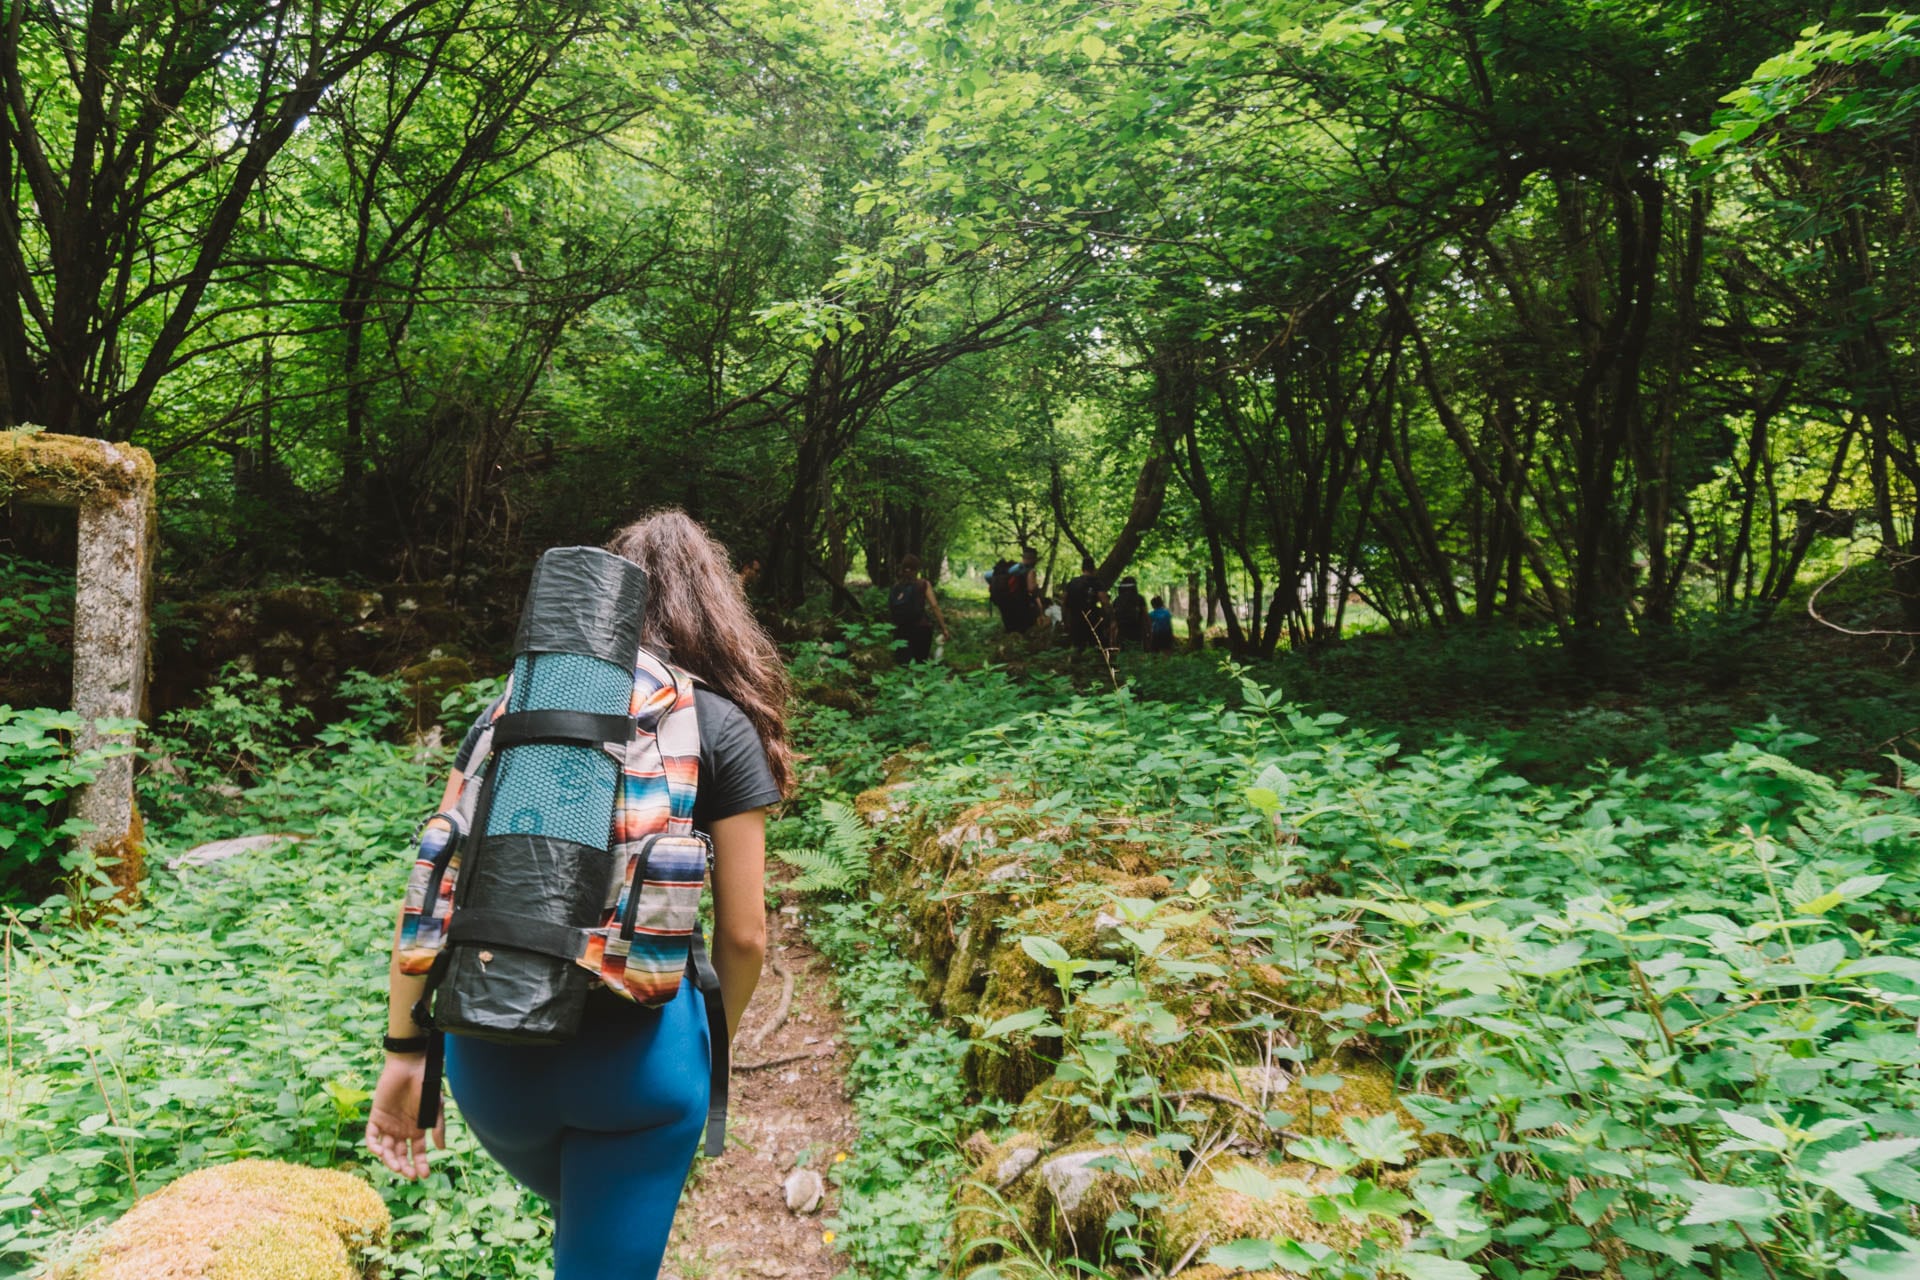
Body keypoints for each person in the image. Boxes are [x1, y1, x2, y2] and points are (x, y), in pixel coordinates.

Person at [367, 510, 790, 1280]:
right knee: (608, 1240)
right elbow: (746, 938)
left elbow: (432, 883)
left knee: (586, 1231)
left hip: (490, 1060)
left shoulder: (514, 711)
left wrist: (404, 1053)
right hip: (639, 1066)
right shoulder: (718, 726)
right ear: (716, 609)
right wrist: (706, 1044)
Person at [888, 554, 949, 664]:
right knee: (920, 664)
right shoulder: (923, 584)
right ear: (917, 569)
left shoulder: (896, 587)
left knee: (903, 665)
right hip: (921, 629)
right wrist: (944, 628)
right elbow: (934, 606)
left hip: (901, 631)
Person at [1061, 555, 1108, 651]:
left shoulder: (1072, 583)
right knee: (1094, 648)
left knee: (1077, 647)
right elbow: (1104, 601)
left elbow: (1064, 601)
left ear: (1082, 569)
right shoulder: (1097, 583)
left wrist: (1065, 619)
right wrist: (1108, 618)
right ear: (1094, 569)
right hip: (1092, 621)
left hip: (1075, 620)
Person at [1002, 545, 1041, 633]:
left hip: (1008, 602)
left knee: (1011, 628)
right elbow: (1031, 589)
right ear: (1033, 559)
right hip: (1022, 604)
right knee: (1023, 628)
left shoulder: (1015, 569)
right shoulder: (1030, 570)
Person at [1110, 576, 1147, 650]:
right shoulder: (1140, 599)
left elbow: (1113, 623)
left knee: (1123, 655)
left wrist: (1112, 639)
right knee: (1136, 655)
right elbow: (1145, 618)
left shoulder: (1117, 600)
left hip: (1122, 634)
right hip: (1137, 634)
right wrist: (1148, 634)